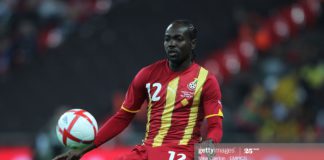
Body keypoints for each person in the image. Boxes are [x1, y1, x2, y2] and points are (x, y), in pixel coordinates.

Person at [53, 20, 223, 160]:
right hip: (146, 152)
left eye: (178, 39)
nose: (171, 44)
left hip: (181, 153)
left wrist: (207, 153)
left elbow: (215, 126)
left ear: (192, 43)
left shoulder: (205, 80)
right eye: (167, 39)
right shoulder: (147, 74)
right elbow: (123, 117)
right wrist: (83, 150)